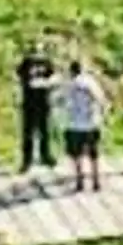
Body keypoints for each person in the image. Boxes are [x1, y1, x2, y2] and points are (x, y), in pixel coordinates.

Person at [54, 58, 107, 194]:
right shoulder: (90, 82)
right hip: (91, 123)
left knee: (76, 154)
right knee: (93, 153)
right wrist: (102, 114)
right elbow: (100, 99)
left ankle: (80, 180)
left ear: (71, 71)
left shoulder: (67, 84)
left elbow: (58, 100)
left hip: (73, 124)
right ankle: (96, 181)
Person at [15, 41, 60, 174]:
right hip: (29, 101)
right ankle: (26, 160)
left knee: (44, 131)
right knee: (28, 132)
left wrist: (49, 83)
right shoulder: (26, 63)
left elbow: (54, 77)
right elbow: (19, 77)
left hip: (43, 100)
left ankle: (45, 156)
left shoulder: (47, 63)